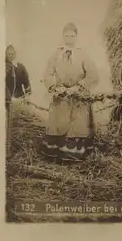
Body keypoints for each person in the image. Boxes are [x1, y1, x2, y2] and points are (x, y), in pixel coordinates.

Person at [40, 23, 99, 162]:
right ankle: (57, 155)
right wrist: (56, 87)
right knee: (58, 124)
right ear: (63, 36)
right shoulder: (56, 54)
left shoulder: (83, 54)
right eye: (66, 35)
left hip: (78, 97)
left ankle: (74, 156)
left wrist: (78, 87)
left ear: (76, 37)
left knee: (76, 126)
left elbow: (93, 75)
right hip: (61, 97)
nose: (69, 38)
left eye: (72, 36)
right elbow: (47, 75)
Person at [5, 44, 32, 138]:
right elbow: (3, 85)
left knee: (21, 123)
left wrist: (28, 95)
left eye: (12, 53)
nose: (11, 55)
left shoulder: (20, 67)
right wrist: (9, 98)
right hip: (8, 101)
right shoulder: (3, 67)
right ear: (5, 55)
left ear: (15, 54)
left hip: (20, 99)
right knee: (9, 125)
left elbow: (26, 82)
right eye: (8, 54)